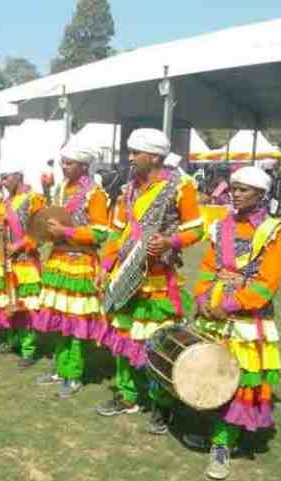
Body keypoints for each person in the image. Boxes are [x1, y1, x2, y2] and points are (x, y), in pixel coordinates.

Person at [186, 165, 281, 480]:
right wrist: (203, 298)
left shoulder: (273, 232)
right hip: (214, 313)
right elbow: (209, 266)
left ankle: (223, 444)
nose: (235, 193)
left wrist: (231, 305)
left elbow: (267, 283)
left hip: (247, 321)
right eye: (233, 187)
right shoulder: (221, 226)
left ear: (260, 195)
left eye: (243, 189)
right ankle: (215, 433)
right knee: (213, 375)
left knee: (238, 381)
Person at [94, 128, 203, 424]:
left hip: (156, 280)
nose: (130, 159)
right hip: (123, 276)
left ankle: (161, 405)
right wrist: (105, 268)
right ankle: (128, 396)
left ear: (154, 156)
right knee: (123, 338)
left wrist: (170, 242)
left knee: (157, 344)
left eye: (135, 153)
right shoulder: (128, 188)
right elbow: (117, 232)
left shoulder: (182, 186)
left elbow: (197, 229)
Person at [34, 144, 109, 398]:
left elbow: (101, 232)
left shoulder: (95, 194)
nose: (64, 167)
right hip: (58, 260)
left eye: (69, 163)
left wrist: (66, 232)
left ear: (84, 166)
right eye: (62, 162)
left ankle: (74, 374)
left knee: (76, 320)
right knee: (58, 318)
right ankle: (59, 369)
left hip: (80, 261)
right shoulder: (60, 189)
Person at [0, 162, 46, 368]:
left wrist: (20, 244)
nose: (2, 182)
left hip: (26, 262)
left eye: (6, 178)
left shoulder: (34, 199)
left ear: (18, 176)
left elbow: (41, 232)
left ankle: (28, 350)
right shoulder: (3, 203)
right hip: (6, 262)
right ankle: (14, 342)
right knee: (9, 303)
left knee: (26, 307)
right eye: (1, 178)